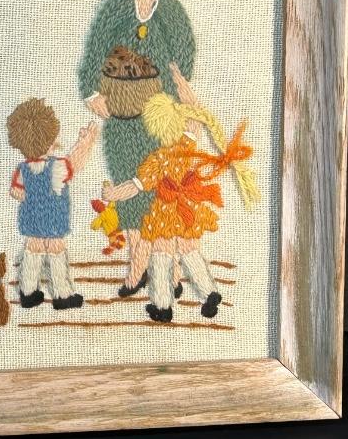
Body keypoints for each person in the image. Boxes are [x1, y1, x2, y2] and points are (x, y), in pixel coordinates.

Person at [77, 0, 196, 297]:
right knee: (127, 195)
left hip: (159, 123)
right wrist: (91, 90)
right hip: (120, 122)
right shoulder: (115, 9)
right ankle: (137, 265)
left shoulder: (171, 13)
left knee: (160, 192)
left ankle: (170, 269)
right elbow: (95, 50)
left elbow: (182, 61)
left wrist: (180, 106)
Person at [101, 93, 259, 323]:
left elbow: (135, 187)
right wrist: (187, 109)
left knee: (161, 254)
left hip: (164, 213)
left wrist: (112, 194)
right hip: (186, 207)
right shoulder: (186, 145)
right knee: (189, 249)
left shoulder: (157, 159)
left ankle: (162, 306)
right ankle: (209, 292)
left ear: (156, 128)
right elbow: (195, 123)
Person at [5, 98, 98, 309]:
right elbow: (76, 161)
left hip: (31, 218)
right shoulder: (57, 167)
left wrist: (33, 198)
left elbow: (16, 192)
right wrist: (86, 141)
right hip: (53, 218)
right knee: (56, 249)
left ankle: (28, 292)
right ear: (49, 139)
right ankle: (62, 295)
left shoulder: (23, 169)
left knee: (33, 247)